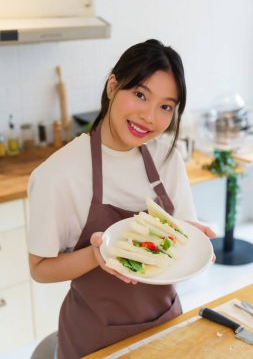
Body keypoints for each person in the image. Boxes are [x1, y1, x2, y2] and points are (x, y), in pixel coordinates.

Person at [28, 39, 216, 359]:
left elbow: (182, 231)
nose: (149, 117)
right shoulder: (59, 174)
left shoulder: (166, 157)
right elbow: (40, 269)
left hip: (166, 326)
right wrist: (98, 255)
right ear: (113, 85)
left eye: (165, 106)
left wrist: (190, 236)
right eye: (140, 95)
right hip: (95, 338)